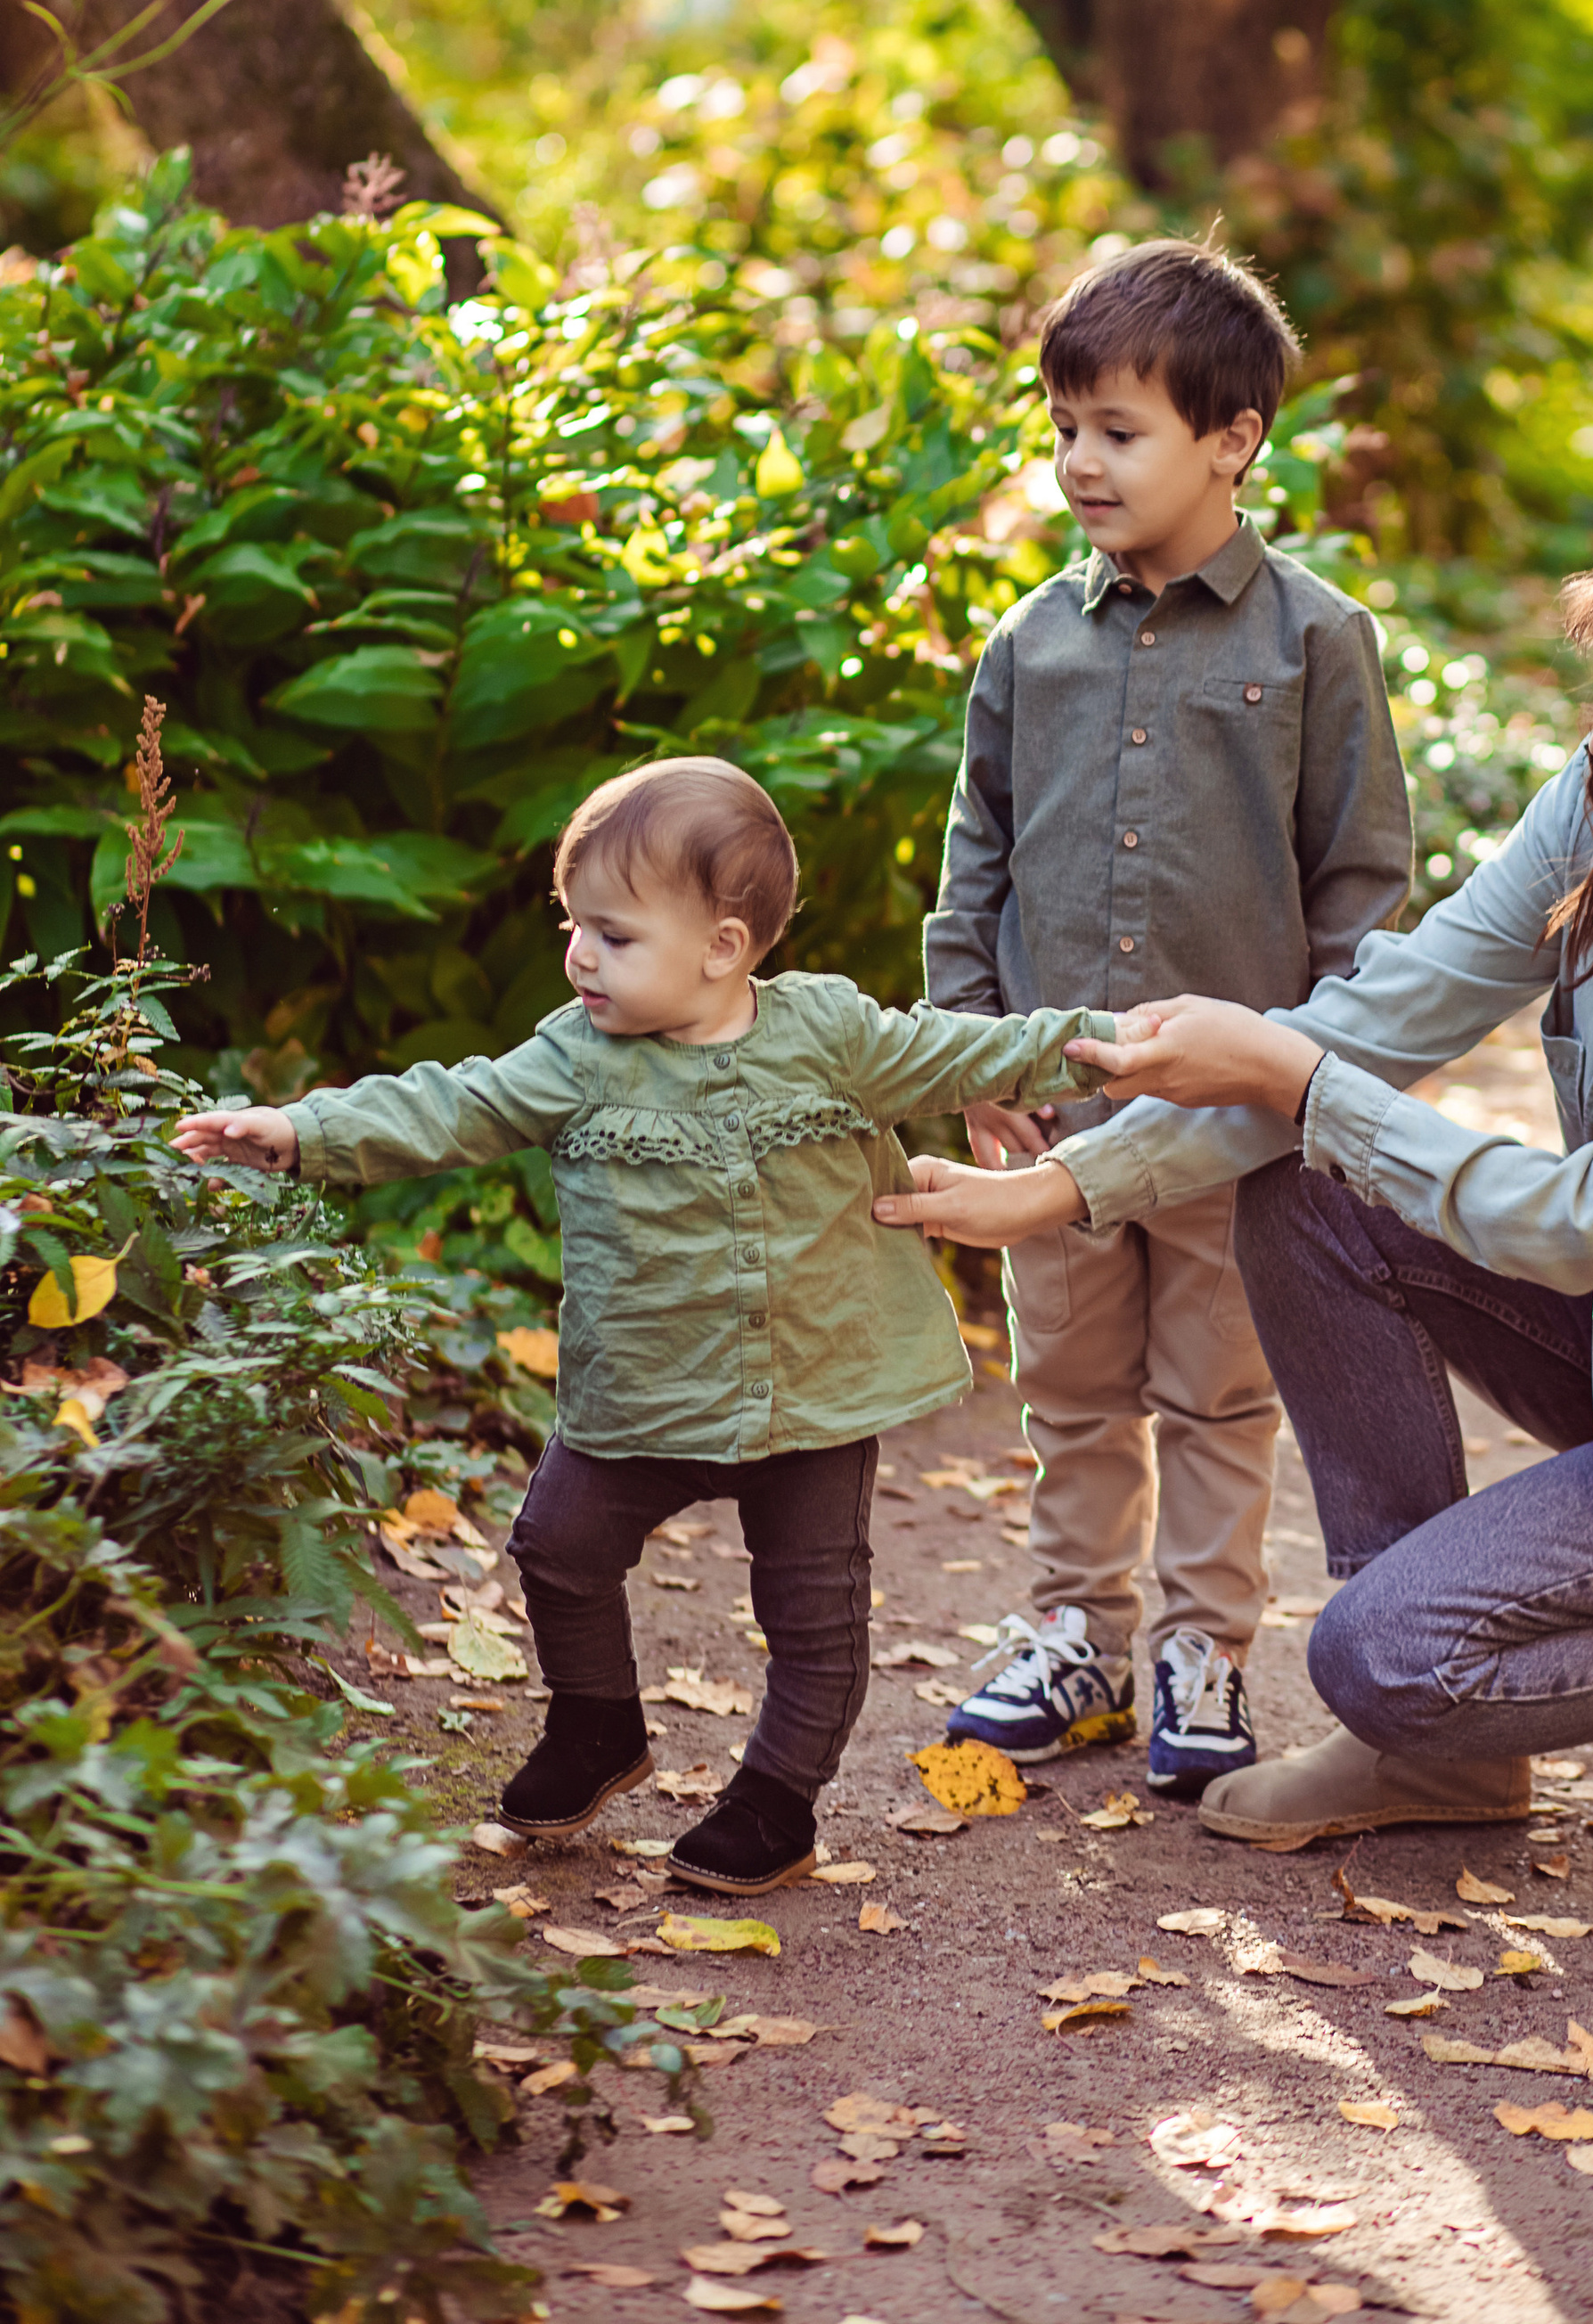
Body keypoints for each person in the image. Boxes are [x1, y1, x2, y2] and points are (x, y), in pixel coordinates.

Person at [878, 499, 1593, 1881]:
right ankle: (1443, 1757)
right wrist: (1070, 1185)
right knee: (1308, 1189)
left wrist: (1299, 1085)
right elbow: (1390, 1010)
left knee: (1379, 1655)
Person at [174, 756, 1115, 1895]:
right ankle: (597, 1727)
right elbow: (451, 1103)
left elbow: (966, 1048)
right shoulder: (574, 1055)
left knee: (811, 1610)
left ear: (722, 946)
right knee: (560, 1547)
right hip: (644, 1387)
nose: (579, 957)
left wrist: (1117, 1042)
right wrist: (301, 1128)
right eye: (574, 926)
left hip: (812, 1389)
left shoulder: (829, 1034)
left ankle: (776, 1800)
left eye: (613, 936)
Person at [923, 238, 1410, 1797]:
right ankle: (1072, 1631)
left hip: (1227, 1121)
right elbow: (975, 856)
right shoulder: (1030, 644)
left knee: (1216, 1390)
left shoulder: (1314, 640)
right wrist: (971, 1051)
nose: (1077, 462)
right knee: (1065, 1387)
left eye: (1116, 431)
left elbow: (1362, 878)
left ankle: (1202, 1649)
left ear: (1231, 441)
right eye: (1063, 426)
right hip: (1052, 1103)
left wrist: (1316, 1081)